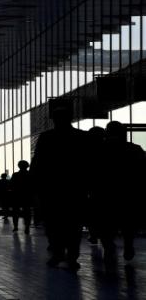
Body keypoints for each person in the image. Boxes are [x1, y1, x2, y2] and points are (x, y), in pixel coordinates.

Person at [31, 106, 89, 270]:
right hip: (75, 188)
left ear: (53, 119)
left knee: (54, 223)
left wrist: (36, 184)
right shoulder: (81, 137)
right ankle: (72, 255)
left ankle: (58, 253)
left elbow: (38, 162)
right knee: (73, 224)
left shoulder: (46, 137)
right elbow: (88, 163)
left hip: (51, 189)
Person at [100, 121, 146, 261]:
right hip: (129, 193)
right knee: (128, 223)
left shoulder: (100, 150)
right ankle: (128, 245)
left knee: (106, 224)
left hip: (106, 194)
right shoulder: (135, 149)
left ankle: (108, 246)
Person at [10, 160, 32, 234]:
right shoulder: (30, 175)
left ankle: (16, 226)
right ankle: (27, 227)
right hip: (27, 196)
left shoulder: (15, 175)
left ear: (19, 166)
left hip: (16, 196)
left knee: (15, 212)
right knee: (27, 212)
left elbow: (11, 185)